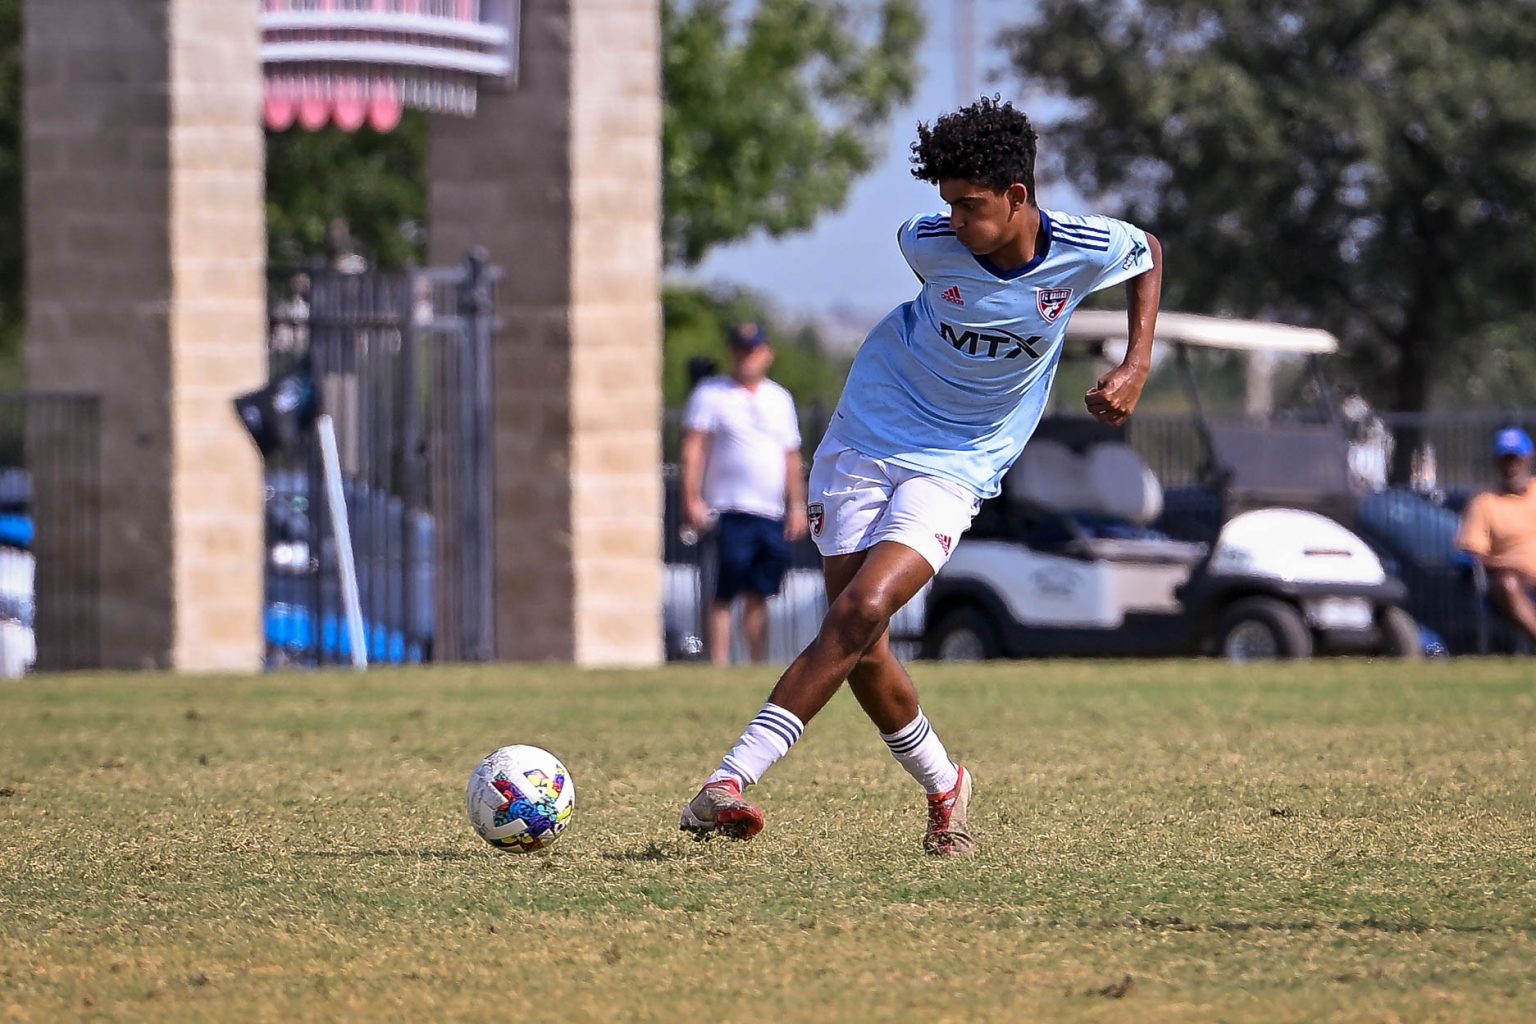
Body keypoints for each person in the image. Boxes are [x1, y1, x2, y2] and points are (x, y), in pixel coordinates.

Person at [678, 96, 1163, 857]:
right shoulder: (925, 241)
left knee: (864, 605)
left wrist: (1135, 365)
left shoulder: (1085, 245)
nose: (957, 221)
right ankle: (946, 787)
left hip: (961, 459)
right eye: (949, 205)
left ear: (1017, 197)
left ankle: (729, 780)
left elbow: (1148, 254)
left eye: (972, 206)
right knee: (860, 638)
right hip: (870, 429)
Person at [679, 324, 809, 664]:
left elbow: (791, 456)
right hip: (728, 507)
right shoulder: (712, 393)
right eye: (740, 350)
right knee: (724, 589)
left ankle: (756, 662)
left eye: (752, 351)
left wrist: (797, 505)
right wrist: (692, 497)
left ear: (767, 354)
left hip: (769, 511)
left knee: (759, 591)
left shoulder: (779, 398)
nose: (745, 358)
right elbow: (694, 448)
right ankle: (719, 663)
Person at [1456, 426, 1536, 644]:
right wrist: (1512, 567)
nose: (1511, 466)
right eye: (1505, 460)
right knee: (1508, 584)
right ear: (1496, 463)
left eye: (1515, 459)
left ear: (1528, 459)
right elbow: (1473, 554)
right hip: (1509, 580)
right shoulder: (1484, 503)